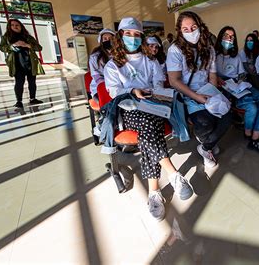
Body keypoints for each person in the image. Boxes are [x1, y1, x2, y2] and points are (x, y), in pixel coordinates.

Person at [104, 17, 193, 221]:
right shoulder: (113, 65)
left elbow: (158, 83)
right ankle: (173, 173)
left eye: (136, 35)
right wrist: (133, 90)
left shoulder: (150, 60)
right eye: (128, 34)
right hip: (128, 107)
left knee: (148, 131)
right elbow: (113, 92)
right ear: (120, 36)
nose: (132, 38)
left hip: (152, 104)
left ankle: (154, 193)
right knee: (148, 125)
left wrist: (151, 92)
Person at [166, 11, 232, 168]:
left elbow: (212, 77)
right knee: (205, 122)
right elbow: (174, 81)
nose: (190, 31)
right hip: (187, 95)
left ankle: (205, 146)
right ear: (180, 31)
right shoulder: (175, 50)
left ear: (200, 27)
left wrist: (215, 96)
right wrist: (197, 97)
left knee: (227, 115)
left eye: (193, 27)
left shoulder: (209, 49)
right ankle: (207, 141)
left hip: (206, 90)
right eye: (185, 29)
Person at [215, 26, 259, 153]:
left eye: (232, 37)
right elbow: (208, 73)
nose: (229, 39)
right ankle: (248, 133)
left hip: (238, 85)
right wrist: (217, 78)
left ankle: (254, 138)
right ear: (220, 37)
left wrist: (241, 82)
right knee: (252, 107)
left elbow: (241, 74)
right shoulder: (214, 55)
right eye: (226, 36)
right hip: (224, 87)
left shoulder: (236, 56)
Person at [0, 18, 45, 108]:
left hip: (31, 62)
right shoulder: (6, 37)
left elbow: (39, 48)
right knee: (19, 82)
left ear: (21, 26)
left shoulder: (27, 37)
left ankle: (33, 99)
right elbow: (2, 47)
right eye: (12, 25)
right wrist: (13, 46)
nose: (14, 27)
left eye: (17, 25)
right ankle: (19, 101)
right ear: (9, 27)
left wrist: (27, 45)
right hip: (17, 63)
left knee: (32, 82)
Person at [89, 28, 115, 100]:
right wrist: (107, 87)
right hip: (100, 86)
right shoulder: (95, 56)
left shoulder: (119, 54)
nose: (108, 40)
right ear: (101, 41)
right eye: (105, 38)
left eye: (110, 38)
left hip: (117, 84)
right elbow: (97, 76)